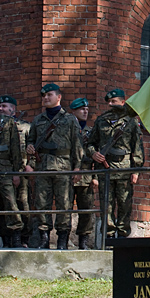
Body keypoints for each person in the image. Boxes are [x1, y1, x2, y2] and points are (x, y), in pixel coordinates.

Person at [25, 83, 83, 250]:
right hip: (43, 167)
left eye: (49, 95)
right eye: (43, 95)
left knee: (64, 203)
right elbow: (31, 141)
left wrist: (78, 167)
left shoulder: (70, 119)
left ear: (58, 97)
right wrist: (29, 149)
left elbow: (77, 145)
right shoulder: (38, 120)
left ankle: (62, 240)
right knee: (42, 202)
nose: (45, 98)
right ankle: (44, 238)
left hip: (63, 167)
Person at [87, 88, 144, 239]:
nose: (111, 104)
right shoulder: (101, 120)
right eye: (109, 102)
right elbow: (91, 143)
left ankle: (123, 235)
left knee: (125, 204)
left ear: (123, 102)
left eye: (114, 101)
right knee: (107, 205)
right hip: (106, 169)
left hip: (124, 168)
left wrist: (136, 170)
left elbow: (137, 147)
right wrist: (94, 153)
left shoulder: (131, 121)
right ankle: (109, 235)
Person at [0, 90, 24, 248]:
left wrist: (16, 173)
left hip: (5, 169)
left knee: (10, 204)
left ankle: (16, 238)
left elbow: (15, 149)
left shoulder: (7, 122)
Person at [0, 95, 32, 247]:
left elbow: (34, 149)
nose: (1, 109)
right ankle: (6, 239)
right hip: (3, 171)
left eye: (4, 106)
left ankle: (23, 239)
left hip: (22, 171)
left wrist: (31, 165)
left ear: (13, 109)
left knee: (22, 204)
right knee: (2, 205)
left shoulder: (25, 127)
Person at [69, 97, 98, 249]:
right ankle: (63, 239)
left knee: (86, 209)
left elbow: (95, 155)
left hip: (86, 175)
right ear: (73, 111)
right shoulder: (66, 129)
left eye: (87, 109)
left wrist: (94, 177)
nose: (85, 112)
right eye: (82, 109)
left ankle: (83, 241)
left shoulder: (90, 132)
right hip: (68, 174)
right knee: (65, 207)